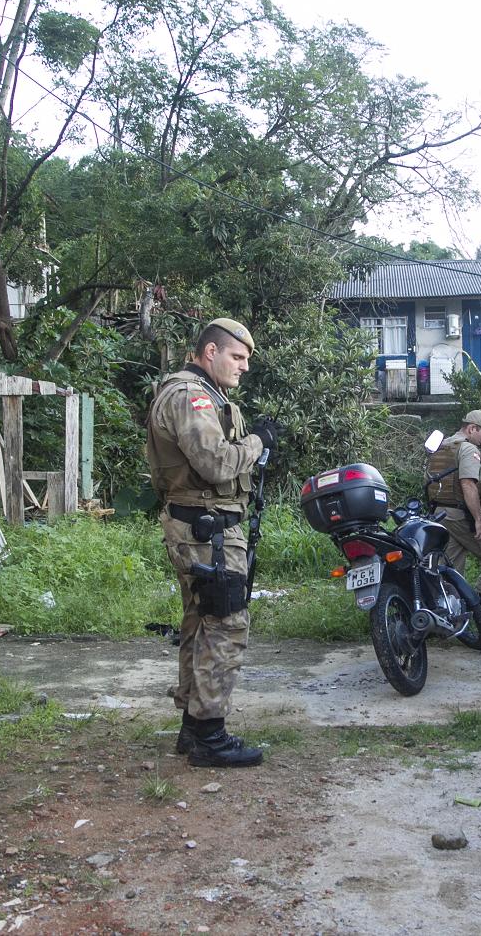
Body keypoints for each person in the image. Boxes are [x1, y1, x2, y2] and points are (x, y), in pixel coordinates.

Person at [146, 318, 278, 769]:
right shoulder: (191, 395)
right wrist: (259, 442)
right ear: (209, 353)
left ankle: (192, 726)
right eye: (237, 358)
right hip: (207, 530)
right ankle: (209, 735)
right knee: (225, 624)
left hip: (203, 525)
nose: (243, 368)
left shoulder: (204, 394)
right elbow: (217, 463)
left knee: (200, 623)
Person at [425, 409, 481, 606]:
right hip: (460, 514)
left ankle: (446, 611)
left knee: (450, 567)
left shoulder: (441, 447)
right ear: (472, 428)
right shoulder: (468, 449)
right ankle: (476, 607)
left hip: (439, 514)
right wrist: (479, 520)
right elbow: (468, 485)